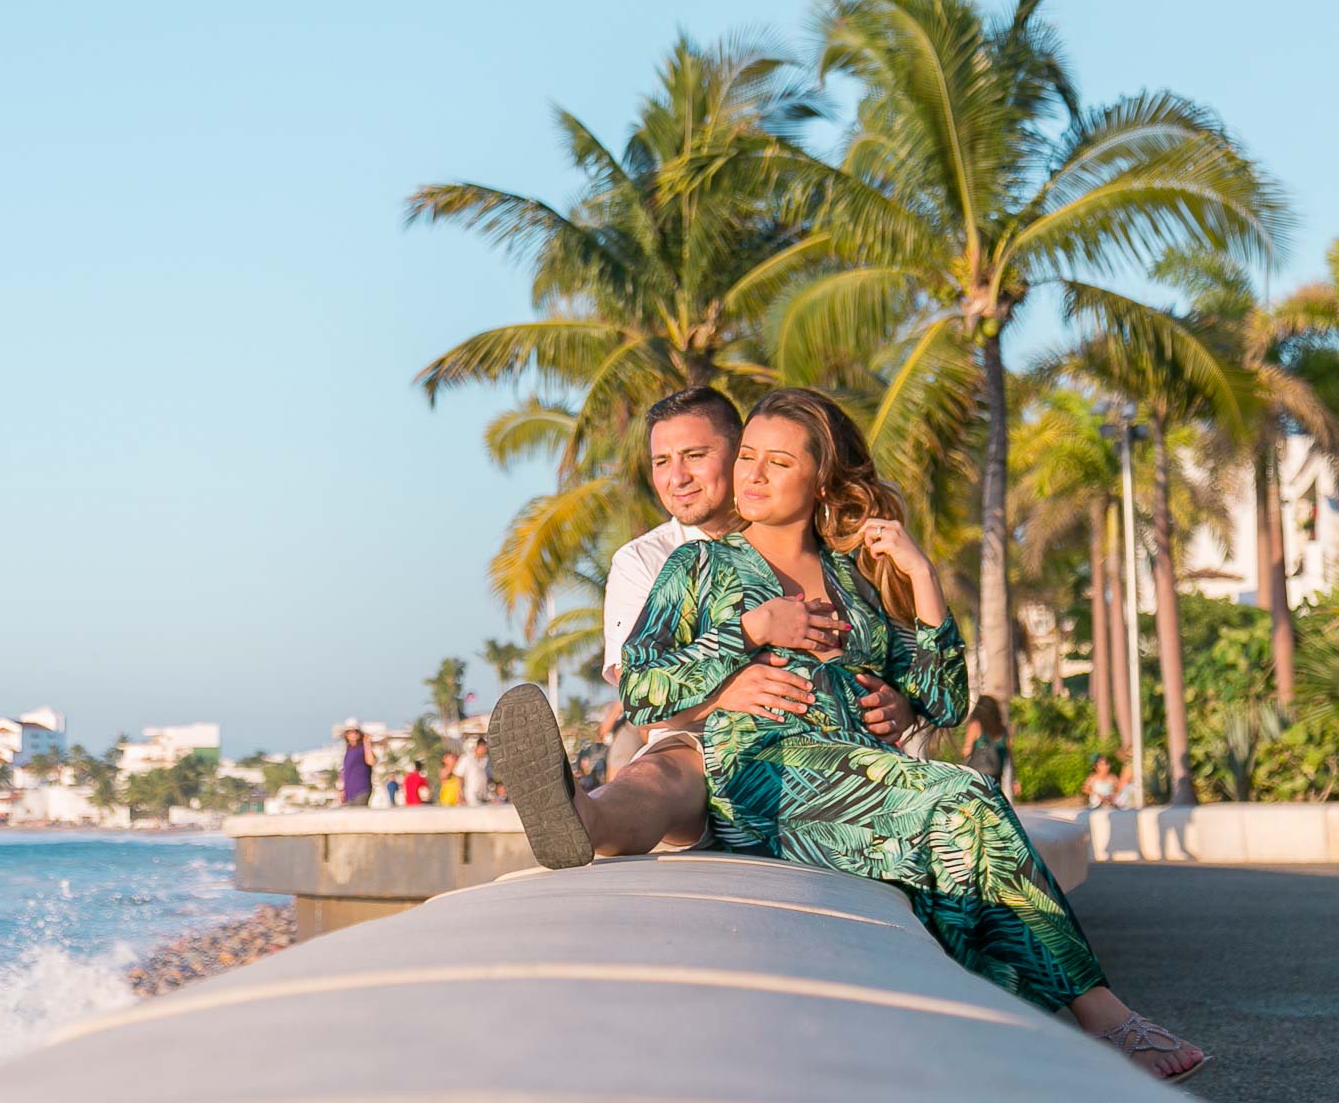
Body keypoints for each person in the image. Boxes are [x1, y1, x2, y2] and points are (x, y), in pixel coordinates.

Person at [507, 387, 1207, 1083]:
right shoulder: (698, 566)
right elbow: (641, 688)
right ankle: (1108, 1021)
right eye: (747, 456)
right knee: (962, 800)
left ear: (821, 482)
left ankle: (1003, 1040)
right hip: (760, 770)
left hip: (858, 774)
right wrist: (751, 631)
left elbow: (946, 699)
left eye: (776, 463)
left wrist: (921, 578)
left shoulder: (853, 578)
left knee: (960, 836)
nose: (751, 475)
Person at [496, 386, 917, 862]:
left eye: (695, 456)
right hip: (697, 738)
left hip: (817, 741)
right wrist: (725, 693)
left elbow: (900, 656)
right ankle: (584, 820)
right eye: (661, 462)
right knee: (662, 774)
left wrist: (902, 703)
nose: (677, 477)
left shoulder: (824, 547)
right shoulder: (647, 559)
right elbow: (642, 704)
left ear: (742, 453)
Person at [962, 693, 1014, 796]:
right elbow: (1009, 754)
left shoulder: (975, 726)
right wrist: (1014, 779)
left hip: (977, 776)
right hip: (996, 775)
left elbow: (966, 751)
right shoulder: (1002, 729)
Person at [338, 726, 372, 807]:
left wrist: (367, 743)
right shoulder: (348, 750)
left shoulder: (362, 748)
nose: (353, 735)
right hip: (349, 792)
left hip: (361, 789)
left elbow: (371, 761)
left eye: (355, 732)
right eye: (350, 732)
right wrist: (341, 790)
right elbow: (345, 771)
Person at [460, 737, 491, 804]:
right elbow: (459, 777)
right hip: (470, 795)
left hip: (483, 794)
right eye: (482, 747)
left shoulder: (486, 760)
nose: (484, 749)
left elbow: (489, 778)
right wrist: (460, 795)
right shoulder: (466, 759)